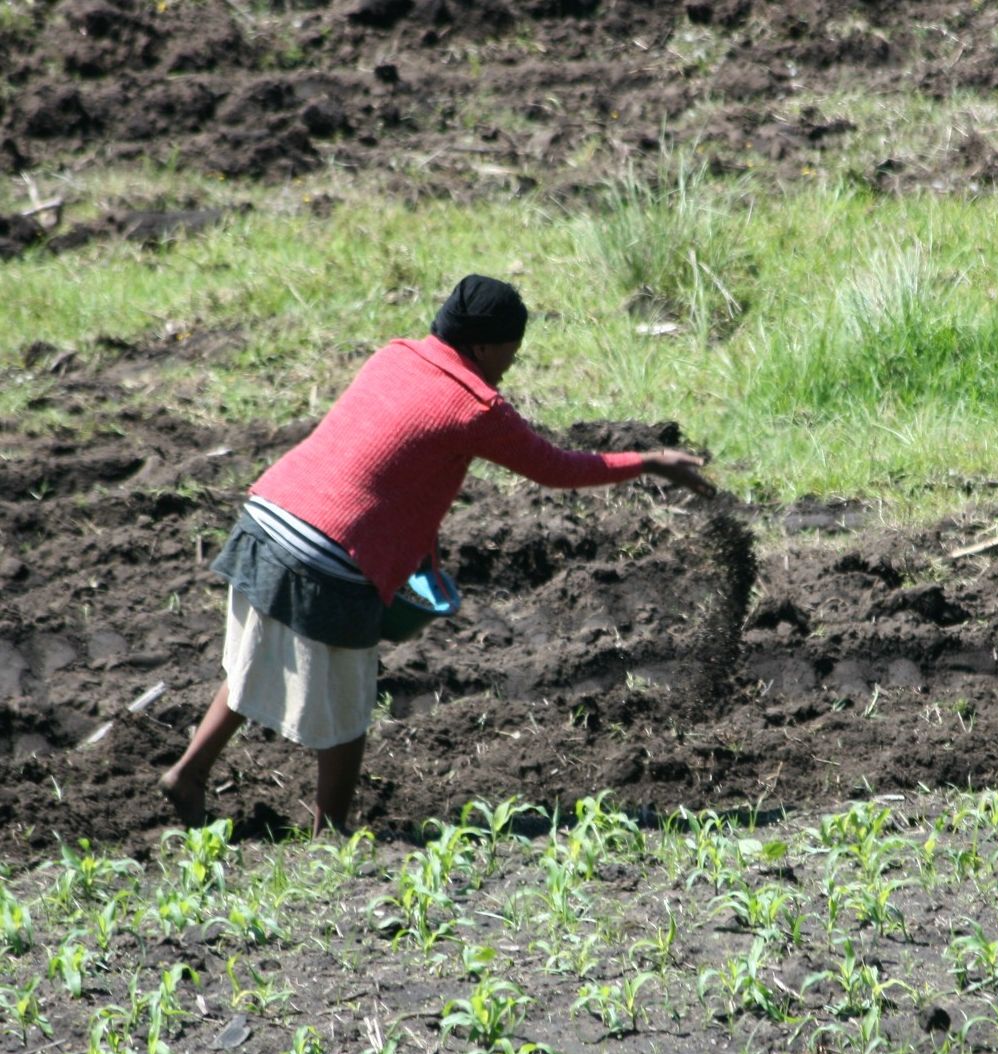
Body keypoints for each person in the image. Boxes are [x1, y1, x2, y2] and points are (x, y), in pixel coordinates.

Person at [160, 275, 714, 834]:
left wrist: (420, 556)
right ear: (481, 347)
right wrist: (647, 462)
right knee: (352, 705)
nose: (510, 365)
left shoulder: (394, 356)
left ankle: (188, 773)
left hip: (266, 517)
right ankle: (331, 834)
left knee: (253, 659)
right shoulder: (476, 406)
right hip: (324, 555)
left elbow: (397, 473)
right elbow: (556, 468)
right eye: (510, 352)